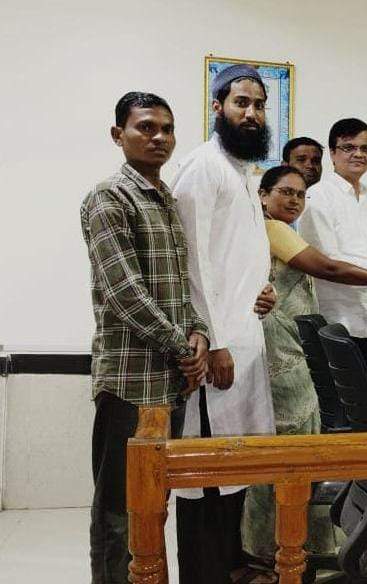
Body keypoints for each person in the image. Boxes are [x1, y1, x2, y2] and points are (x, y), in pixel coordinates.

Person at [242, 165, 367, 573]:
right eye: (285, 191)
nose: (294, 200)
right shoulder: (271, 229)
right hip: (279, 354)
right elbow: (330, 268)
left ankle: (294, 543)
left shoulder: (279, 231)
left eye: (301, 194)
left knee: (299, 446)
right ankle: (276, 548)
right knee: (290, 451)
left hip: (290, 348)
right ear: (263, 195)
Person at [80, 91, 209, 584]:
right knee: (117, 509)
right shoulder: (109, 198)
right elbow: (124, 292)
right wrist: (181, 346)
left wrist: (198, 333)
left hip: (171, 383)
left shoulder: (167, 199)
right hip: (129, 382)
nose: (159, 137)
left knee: (153, 505)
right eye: (146, 127)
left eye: (167, 129)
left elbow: (181, 285)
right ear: (119, 135)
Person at [172, 64, 278, 584]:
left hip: (244, 342)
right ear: (217, 107)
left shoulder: (242, 171)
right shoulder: (203, 166)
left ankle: (228, 568)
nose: (251, 113)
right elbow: (192, 262)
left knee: (233, 473)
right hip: (216, 350)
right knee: (206, 477)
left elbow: (233, 255)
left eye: (259, 105)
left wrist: (263, 287)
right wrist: (211, 342)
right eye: (241, 103)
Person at [298, 118, 367, 390]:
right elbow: (329, 264)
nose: (358, 154)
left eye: (365, 148)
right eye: (349, 147)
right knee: (339, 407)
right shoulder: (317, 197)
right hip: (335, 324)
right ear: (332, 153)